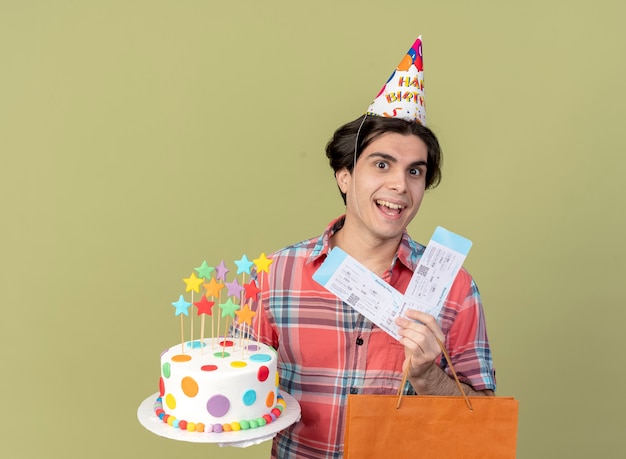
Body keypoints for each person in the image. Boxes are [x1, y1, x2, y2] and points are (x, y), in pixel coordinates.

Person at [253, 37, 496, 459]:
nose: (399, 185)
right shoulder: (276, 275)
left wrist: (428, 376)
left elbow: (482, 428)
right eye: (381, 164)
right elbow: (237, 389)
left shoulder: (455, 289)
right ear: (344, 176)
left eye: (414, 171)